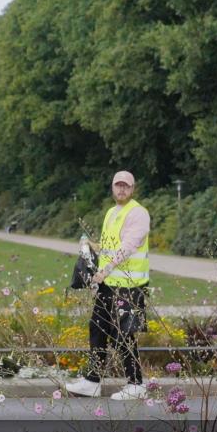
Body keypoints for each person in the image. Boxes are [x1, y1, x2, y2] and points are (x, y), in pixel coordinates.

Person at [65, 171, 150, 400]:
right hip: (109, 284)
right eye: (118, 186)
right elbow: (111, 246)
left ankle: (136, 384)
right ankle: (93, 381)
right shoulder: (112, 213)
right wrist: (92, 246)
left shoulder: (138, 213)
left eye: (126, 186)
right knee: (98, 329)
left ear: (133, 189)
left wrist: (104, 271)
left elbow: (128, 247)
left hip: (130, 286)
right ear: (112, 188)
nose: (121, 190)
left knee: (124, 334)